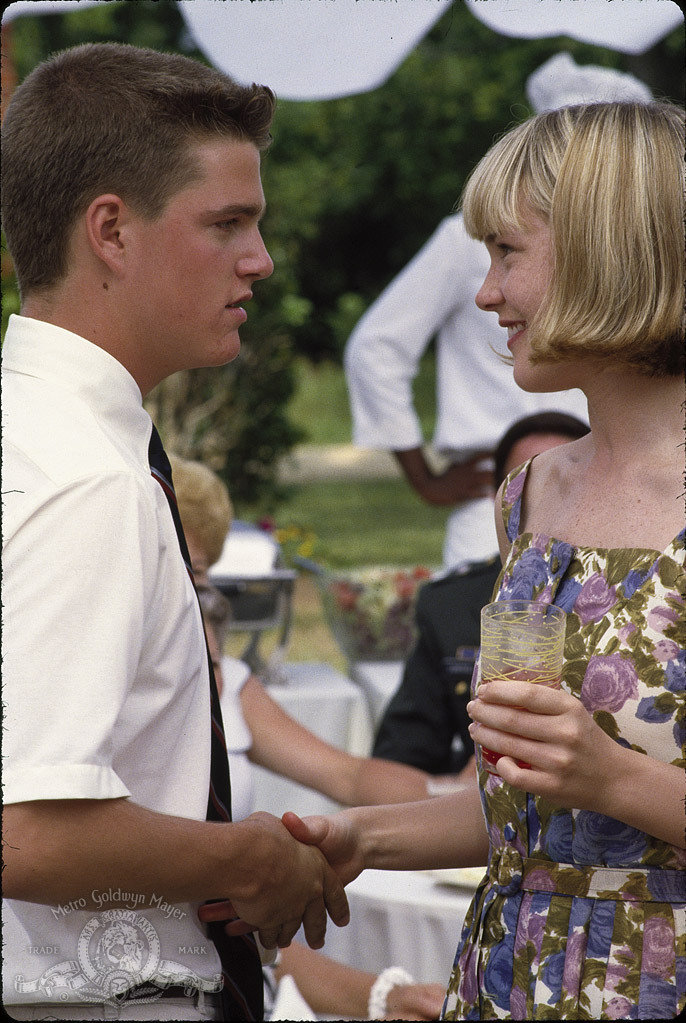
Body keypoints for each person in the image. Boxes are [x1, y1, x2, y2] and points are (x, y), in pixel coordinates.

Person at [276, 100, 686, 1020]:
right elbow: (520, 801)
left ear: (603, 250)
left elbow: (592, 782)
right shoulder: (529, 496)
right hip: (506, 981)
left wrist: (615, 776)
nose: (485, 292)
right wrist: (363, 834)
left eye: (507, 253)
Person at [1, 42, 349, 1023]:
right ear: (110, 230)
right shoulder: (85, 477)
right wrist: (248, 856)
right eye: (227, 224)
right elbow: (21, 832)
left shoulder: (38, 433)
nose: (260, 260)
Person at [344, 54, 652, 572]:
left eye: (508, 252)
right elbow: (376, 347)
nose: (489, 293)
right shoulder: (464, 235)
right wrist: (426, 477)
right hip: (494, 502)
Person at [170, 452, 446, 1021]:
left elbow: (348, 775)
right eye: (175, 571)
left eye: (201, 576)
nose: (196, 595)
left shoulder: (232, 684)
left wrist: (456, 792)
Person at [373, 412, 589, 777]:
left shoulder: (652, 598)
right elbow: (403, 757)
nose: (552, 501)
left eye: (569, 485)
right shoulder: (452, 606)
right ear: (500, 497)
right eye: (530, 485)